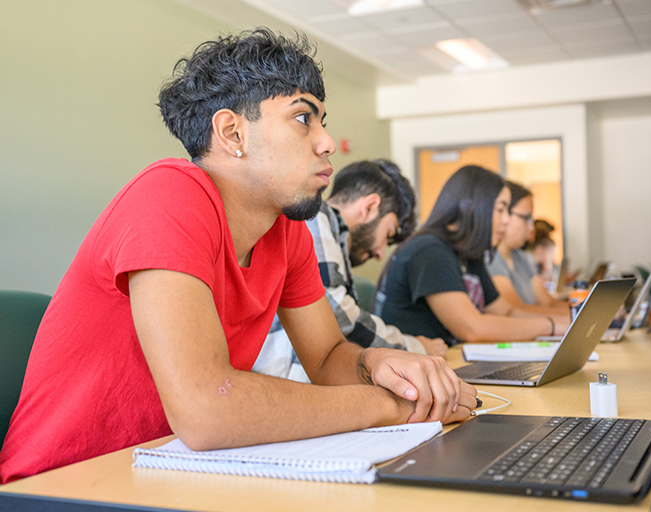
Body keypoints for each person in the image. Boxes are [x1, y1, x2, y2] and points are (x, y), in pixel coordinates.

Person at [0, 29, 476, 484]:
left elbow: (328, 356)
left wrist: (378, 366)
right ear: (232, 133)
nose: (327, 141)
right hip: (62, 483)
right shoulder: (168, 196)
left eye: (323, 123)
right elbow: (207, 410)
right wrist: (389, 406)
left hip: (173, 472)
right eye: (303, 118)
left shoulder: (284, 231)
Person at [253, 160, 447, 381]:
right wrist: (415, 346)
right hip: (284, 385)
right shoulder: (317, 219)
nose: (380, 254)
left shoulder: (330, 235)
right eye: (388, 234)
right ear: (370, 207)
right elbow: (338, 314)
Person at [374, 165, 569, 346]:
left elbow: (506, 312)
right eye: (501, 209)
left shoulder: (468, 254)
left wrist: (568, 322)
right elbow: (472, 328)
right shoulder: (430, 250)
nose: (506, 220)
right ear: (471, 208)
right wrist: (549, 326)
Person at [486, 181, 570, 316]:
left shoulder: (521, 257)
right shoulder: (489, 258)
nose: (531, 228)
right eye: (526, 218)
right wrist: (572, 318)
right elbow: (516, 311)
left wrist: (586, 314)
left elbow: (547, 303)